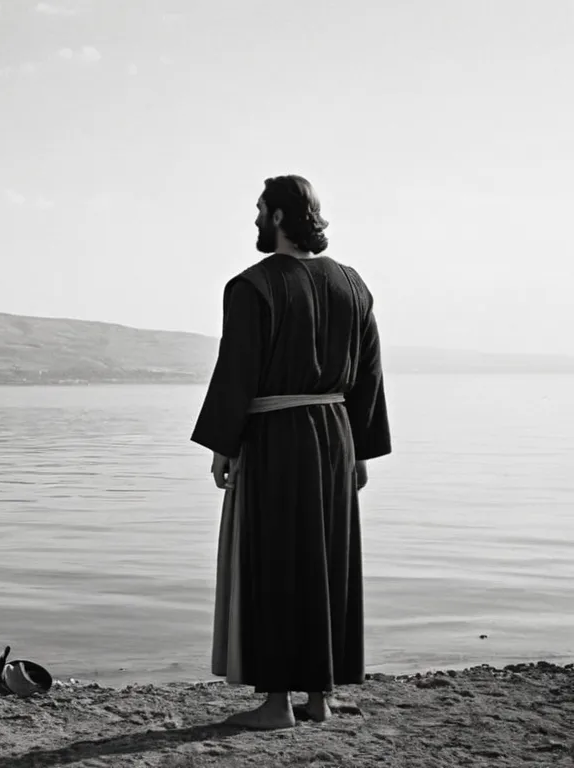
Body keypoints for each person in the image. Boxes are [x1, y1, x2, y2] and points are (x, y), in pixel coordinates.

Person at [190, 175, 391, 730]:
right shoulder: (353, 285)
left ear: (278, 216)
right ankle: (320, 697)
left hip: (277, 435)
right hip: (336, 432)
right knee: (327, 562)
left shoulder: (251, 286)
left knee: (275, 563)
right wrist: (362, 449)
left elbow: (237, 369)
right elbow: (369, 375)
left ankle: (277, 704)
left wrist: (223, 446)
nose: (255, 219)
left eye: (259, 210)